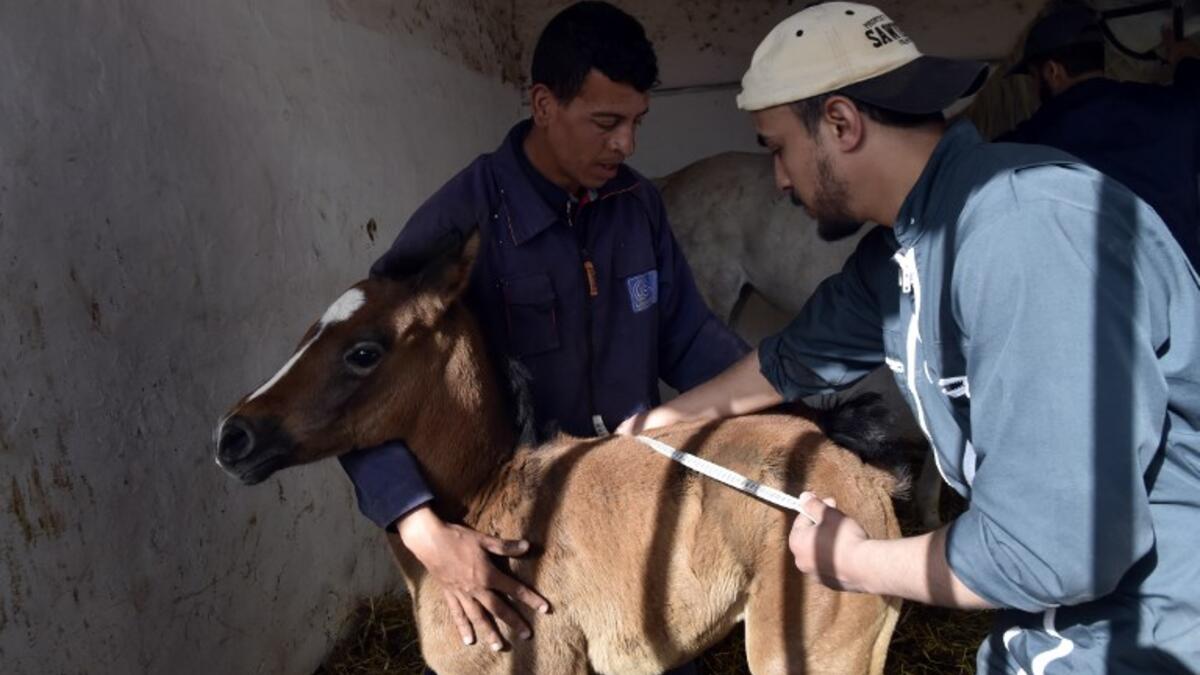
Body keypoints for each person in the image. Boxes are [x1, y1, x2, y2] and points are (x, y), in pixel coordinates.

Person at [618, 3, 1200, 672]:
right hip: (1052, 626)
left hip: (1147, 635)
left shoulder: (1026, 232)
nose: (778, 180)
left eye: (778, 149)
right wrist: (657, 423)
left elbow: (1051, 549)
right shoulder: (907, 249)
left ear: (840, 123)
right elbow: (792, 360)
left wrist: (855, 561)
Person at [338, 2, 746, 671]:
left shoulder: (635, 206)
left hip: (630, 520)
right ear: (543, 103)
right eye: (606, 123)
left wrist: (791, 400)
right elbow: (355, 385)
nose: (627, 145)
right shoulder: (463, 219)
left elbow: (687, 334)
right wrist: (420, 526)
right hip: (514, 550)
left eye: (637, 122)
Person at [998, 3, 1200, 267]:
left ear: (1052, 72)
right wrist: (1186, 60)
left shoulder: (1030, 143)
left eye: (1034, 77)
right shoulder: (1171, 109)